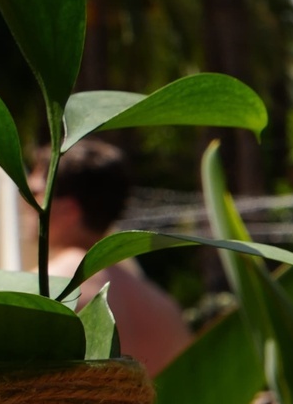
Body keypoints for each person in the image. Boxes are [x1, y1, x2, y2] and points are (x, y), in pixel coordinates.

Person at [46, 143, 193, 374]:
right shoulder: (166, 307)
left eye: (35, 193)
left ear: (69, 209)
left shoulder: (47, 289)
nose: (24, 204)